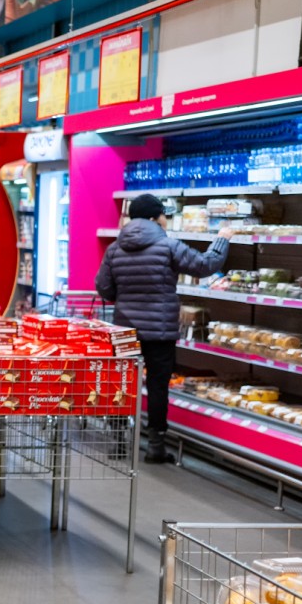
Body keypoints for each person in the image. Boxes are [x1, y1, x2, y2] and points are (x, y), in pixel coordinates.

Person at [96, 193, 229, 463]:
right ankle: (155, 446)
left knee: (123, 383)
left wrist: (126, 296)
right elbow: (205, 265)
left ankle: (119, 441)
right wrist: (222, 239)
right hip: (160, 331)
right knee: (158, 386)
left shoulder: (115, 249)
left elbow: (104, 287)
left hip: (125, 330)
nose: (165, 220)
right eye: (163, 215)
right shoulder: (168, 246)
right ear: (154, 217)